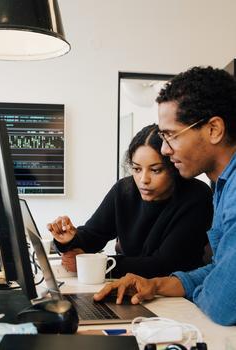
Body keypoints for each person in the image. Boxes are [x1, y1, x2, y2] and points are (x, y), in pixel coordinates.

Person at [94, 66, 236, 326]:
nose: (165, 150)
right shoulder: (222, 186)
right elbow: (218, 270)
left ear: (214, 129)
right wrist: (155, 284)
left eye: (170, 136)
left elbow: (223, 305)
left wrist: (206, 291)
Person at [47, 124, 213, 278]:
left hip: (178, 296)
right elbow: (93, 235)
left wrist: (96, 265)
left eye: (155, 170)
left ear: (173, 168)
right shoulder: (124, 190)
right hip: (131, 287)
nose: (143, 180)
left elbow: (165, 264)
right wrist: (69, 239)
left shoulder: (196, 196)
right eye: (136, 169)